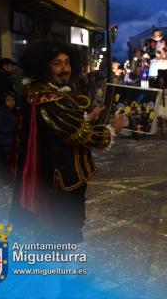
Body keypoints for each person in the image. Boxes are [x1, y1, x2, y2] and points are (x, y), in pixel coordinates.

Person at [10, 41, 125, 242]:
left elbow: (62, 124)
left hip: (56, 173)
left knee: (60, 223)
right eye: (57, 63)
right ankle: (63, 271)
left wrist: (89, 117)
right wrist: (111, 130)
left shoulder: (44, 92)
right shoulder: (49, 99)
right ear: (44, 66)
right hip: (63, 174)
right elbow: (79, 134)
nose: (64, 69)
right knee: (67, 224)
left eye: (67, 62)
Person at [0, 92, 19, 183]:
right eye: (8, 100)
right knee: (4, 160)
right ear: (4, 101)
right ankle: (6, 178)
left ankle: (7, 176)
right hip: (4, 141)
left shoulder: (13, 111)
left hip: (9, 140)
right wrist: (13, 129)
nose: (11, 102)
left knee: (7, 160)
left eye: (13, 100)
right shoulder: (1, 111)